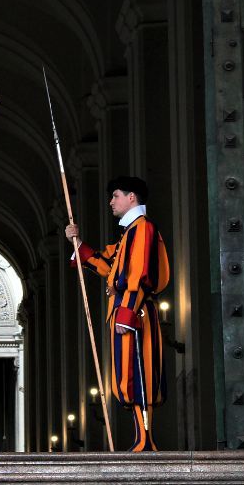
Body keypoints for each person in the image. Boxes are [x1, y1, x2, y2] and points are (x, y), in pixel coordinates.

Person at [65, 175, 169, 452]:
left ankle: (146, 439)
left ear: (131, 197)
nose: (111, 202)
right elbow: (109, 265)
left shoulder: (142, 229)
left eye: (116, 196)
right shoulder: (129, 233)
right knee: (127, 376)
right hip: (126, 311)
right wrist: (79, 245)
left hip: (135, 313)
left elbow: (138, 275)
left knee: (140, 376)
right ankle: (141, 438)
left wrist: (126, 313)